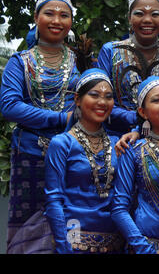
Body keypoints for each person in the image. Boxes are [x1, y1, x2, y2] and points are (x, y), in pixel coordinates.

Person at [0, 0, 80, 253]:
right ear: (36, 17)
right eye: (49, 13)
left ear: (70, 22)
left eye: (64, 15)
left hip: (69, 154)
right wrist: (59, 118)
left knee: (70, 222)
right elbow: (9, 106)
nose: (57, 20)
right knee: (29, 226)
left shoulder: (75, 60)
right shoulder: (19, 62)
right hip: (31, 156)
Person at [44, 68, 124, 254]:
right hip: (74, 240)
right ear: (78, 100)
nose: (102, 102)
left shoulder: (117, 143)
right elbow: (53, 199)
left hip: (115, 242)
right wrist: (64, 247)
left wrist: (137, 131)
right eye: (94, 95)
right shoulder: (62, 143)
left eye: (108, 96)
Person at [111, 75, 159, 254]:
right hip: (148, 245)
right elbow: (119, 208)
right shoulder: (133, 150)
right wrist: (144, 249)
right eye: (157, 100)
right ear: (143, 112)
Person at [96, 0, 159, 137]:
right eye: (139, 13)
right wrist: (138, 118)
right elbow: (99, 99)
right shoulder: (110, 51)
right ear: (129, 18)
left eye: (155, 14)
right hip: (116, 139)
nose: (147, 20)